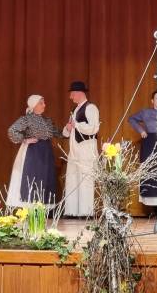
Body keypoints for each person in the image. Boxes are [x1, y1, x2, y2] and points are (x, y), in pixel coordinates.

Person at [6, 95, 62, 208]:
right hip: (33, 152)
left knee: (45, 178)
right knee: (33, 178)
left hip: (46, 153)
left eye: (44, 102)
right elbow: (12, 130)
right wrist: (25, 140)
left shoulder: (47, 120)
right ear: (34, 105)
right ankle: (31, 207)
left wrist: (67, 130)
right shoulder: (26, 119)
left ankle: (42, 208)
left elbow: (57, 133)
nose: (44, 105)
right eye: (41, 103)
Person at [62, 81, 100, 217]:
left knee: (85, 180)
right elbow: (67, 132)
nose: (70, 97)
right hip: (74, 150)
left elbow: (93, 128)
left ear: (79, 93)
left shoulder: (91, 108)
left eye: (72, 94)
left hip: (85, 149)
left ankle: (86, 212)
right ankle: (72, 211)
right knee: (73, 179)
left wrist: (76, 125)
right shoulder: (75, 110)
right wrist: (68, 128)